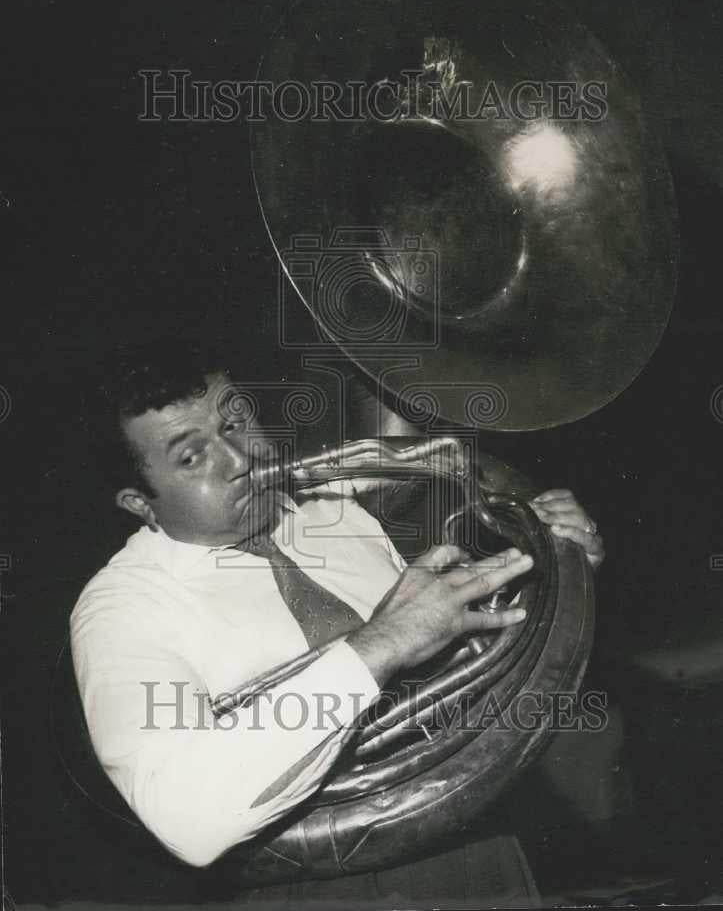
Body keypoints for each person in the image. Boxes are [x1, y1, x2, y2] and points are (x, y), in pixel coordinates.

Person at [70, 339, 604, 899]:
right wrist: (384, 641)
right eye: (191, 456)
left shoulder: (333, 512)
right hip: (318, 891)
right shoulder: (122, 605)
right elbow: (186, 819)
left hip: (477, 852)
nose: (240, 458)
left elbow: (457, 673)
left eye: (237, 420)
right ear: (140, 503)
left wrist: (552, 566)